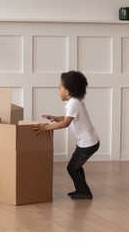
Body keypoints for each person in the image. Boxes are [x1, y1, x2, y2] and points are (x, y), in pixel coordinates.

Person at [33, 70, 99, 199]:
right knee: (75, 167)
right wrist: (54, 117)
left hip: (87, 144)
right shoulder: (75, 102)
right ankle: (82, 190)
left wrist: (45, 128)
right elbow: (67, 118)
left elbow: (65, 123)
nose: (58, 91)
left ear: (67, 91)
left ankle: (84, 192)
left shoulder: (73, 104)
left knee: (72, 168)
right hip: (87, 142)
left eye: (59, 88)